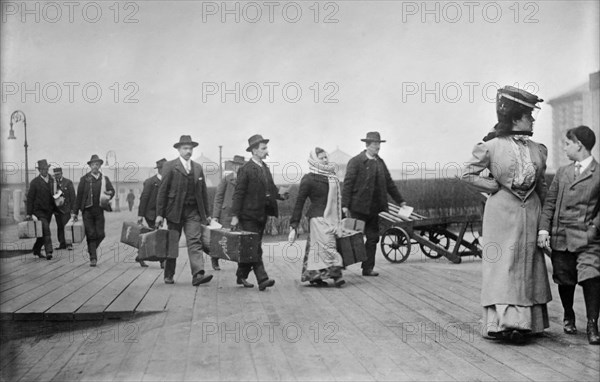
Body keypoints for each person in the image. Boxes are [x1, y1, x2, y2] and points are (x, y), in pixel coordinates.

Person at [461, 85, 551, 343]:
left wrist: (545, 222)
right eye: (528, 115)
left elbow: (541, 186)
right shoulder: (490, 147)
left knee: (529, 264)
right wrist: (494, 187)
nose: (532, 119)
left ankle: (527, 324)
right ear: (514, 117)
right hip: (501, 215)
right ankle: (503, 324)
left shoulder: (538, 149)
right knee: (503, 266)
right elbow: (466, 173)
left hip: (531, 213)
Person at [538, 125, 600, 345]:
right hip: (561, 236)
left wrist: (594, 229)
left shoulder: (598, 173)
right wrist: (544, 229)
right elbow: (550, 203)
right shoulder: (563, 172)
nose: (564, 148)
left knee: (592, 277)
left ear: (579, 145)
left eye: (567, 143)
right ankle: (568, 314)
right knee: (564, 280)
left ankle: (593, 324)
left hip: (587, 240)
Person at [342, 131, 406, 277]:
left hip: (374, 209)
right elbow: (348, 184)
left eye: (379, 144)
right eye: (375, 144)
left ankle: (367, 268)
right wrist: (345, 205)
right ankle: (341, 263)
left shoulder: (380, 162)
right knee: (352, 238)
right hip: (357, 208)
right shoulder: (356, 161)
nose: (378, 147)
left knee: (373, 238)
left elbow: (389, 183)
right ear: (367, 145)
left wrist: (400, 200)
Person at [230, 134, 288, 290]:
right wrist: (235, 216)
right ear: (254, 151)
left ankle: (241, 275)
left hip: (262, 214)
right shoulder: (245, 169)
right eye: (263, 148)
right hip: (248, 215)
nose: (266, 150)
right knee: (255, 247)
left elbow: (271, 189)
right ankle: (262, 279)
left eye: (266, 148)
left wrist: (281, 195)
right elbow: (239, 193)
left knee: (251, 246)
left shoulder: (265, 168)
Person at [155, 135, 213, 286]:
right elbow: (162, 191)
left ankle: (198, 274)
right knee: (173, 242)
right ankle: (169, 274)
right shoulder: (169, 166)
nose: (188, 151)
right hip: (174, 211)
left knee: (194, 240)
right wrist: (160, 214)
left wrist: (206, 214)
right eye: (185, 148)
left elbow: (203, 193)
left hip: (193, 212)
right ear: (179, 150)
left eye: (190, 148)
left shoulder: (197, 168)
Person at [290, 148, 345, 287]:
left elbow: (336, 201)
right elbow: (300, 201)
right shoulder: (309, 179)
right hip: (317, 219)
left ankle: (314, 276)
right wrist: (294, 225)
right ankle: (337, 275)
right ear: (314, 160)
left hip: (332, 219)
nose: (325, 160)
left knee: (317, 248)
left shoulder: (331, 176)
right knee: (328, 246)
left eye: (326, 157)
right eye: (321, 158)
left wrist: (342, 217)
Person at [72, 155, 115, 267]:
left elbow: (112, 190)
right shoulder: (84, 179)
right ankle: (93, 258)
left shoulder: (104, 179)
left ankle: (91, 249)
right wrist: (75, 212)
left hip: (99, 210)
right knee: (91, 234)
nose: (95, 166)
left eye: (97, 164)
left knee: (101, 234)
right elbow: (79, 197)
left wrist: (110, 194)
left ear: (100, 166)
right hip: (87, 211)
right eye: (93, 164)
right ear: (90, 166)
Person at [211, 154, 246, 271]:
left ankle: (241, 265)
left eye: (241, 165)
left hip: (240, 214)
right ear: (233, 166)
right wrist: (215, 216)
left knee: (240, 238)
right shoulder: (226, 179)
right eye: (236, 165)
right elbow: (218, 197)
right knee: (222, 237)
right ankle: (215, 259)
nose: (238, 168)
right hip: (226, 213)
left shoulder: (246, 180)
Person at [136, 158, 167, 268]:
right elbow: (143, 198)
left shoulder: (169, 181)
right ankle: (163, 261)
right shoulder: (150, 182)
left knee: (156, 236)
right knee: (157, 236)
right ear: (159, 169)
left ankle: (141, 255)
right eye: (164, 168)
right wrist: (140, 215)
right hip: (151, 213)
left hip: (165, 214)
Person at [26, 159, 56, 260]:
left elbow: (58, 191)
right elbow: (30, 198)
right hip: (39, 211)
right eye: (42, 169)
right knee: (46, 229)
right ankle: (49, 251)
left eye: (46, 168)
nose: (45, 171)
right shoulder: (34, 182)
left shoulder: (52, 180)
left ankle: (36, 249)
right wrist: (29, 213)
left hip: (49, 210)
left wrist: (59, 196)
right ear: (39, 170)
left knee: (42, 231)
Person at [52, 167, 76, 251]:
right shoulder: (53, 183)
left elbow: (73, 196)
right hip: (57, 209)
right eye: (55, 175)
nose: (57, 176)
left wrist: (73, 209)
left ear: (62, 173)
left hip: (66, 208)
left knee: (67, 226)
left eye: (58, 174)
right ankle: (62, 243)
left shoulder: (68, 182)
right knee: (60, 226)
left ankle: (69, 243)